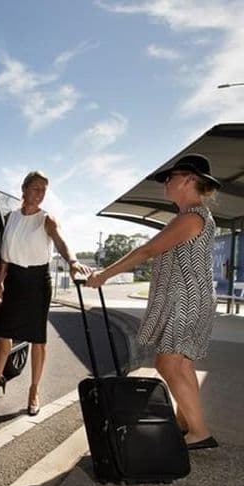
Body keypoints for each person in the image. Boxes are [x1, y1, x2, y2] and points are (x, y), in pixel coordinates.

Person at [87, 153, 221, 450]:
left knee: (168, 363)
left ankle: (199, 432)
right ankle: (187, 425)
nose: (166, 183)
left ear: (189, 179)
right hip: (191, 299)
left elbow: (146, 251)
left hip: (186, 300)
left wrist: (103, 275)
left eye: (171, 177)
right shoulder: (195, 215)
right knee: (182, 366)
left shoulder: (192, 216)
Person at [0, 171, 91, 415]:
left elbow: (61, 241)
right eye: (36, 188)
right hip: (15, 280)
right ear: (24, 189)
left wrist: (72, 261)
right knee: (4, 331)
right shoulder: (11, 217)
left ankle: (34, 390)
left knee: (37, 338)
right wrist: (0, 282)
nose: (40, 194)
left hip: (37, 281)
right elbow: (6, 253)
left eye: (44, 190)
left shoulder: (47, 219)